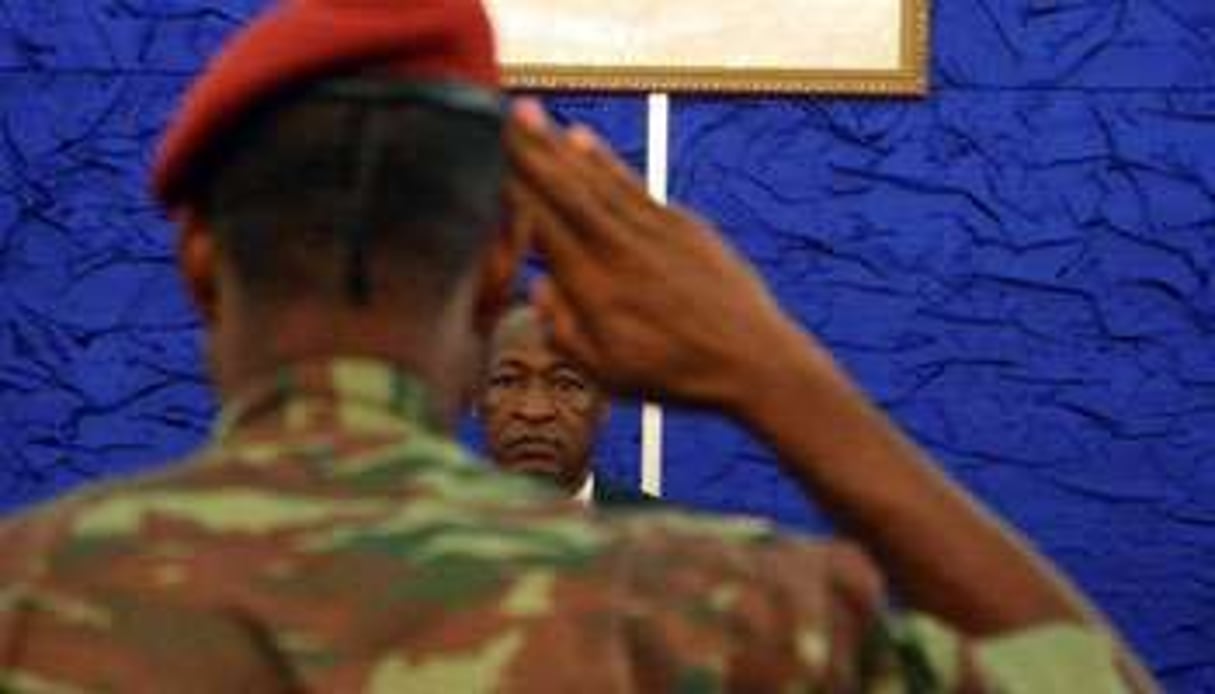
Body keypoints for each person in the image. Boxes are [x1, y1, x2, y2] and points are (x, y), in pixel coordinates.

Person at [0, 0, 1156, 691]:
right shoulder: (715, 611)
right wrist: (779, 378)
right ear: (501, 265)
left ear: (199, 256)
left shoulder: (27, 595)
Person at [479, 304, 660, 507]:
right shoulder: (436, 527)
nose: (535, 411)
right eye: (507, 381)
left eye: (566, 384)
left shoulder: (668, 533)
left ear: (605, 403)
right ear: (475, 396)